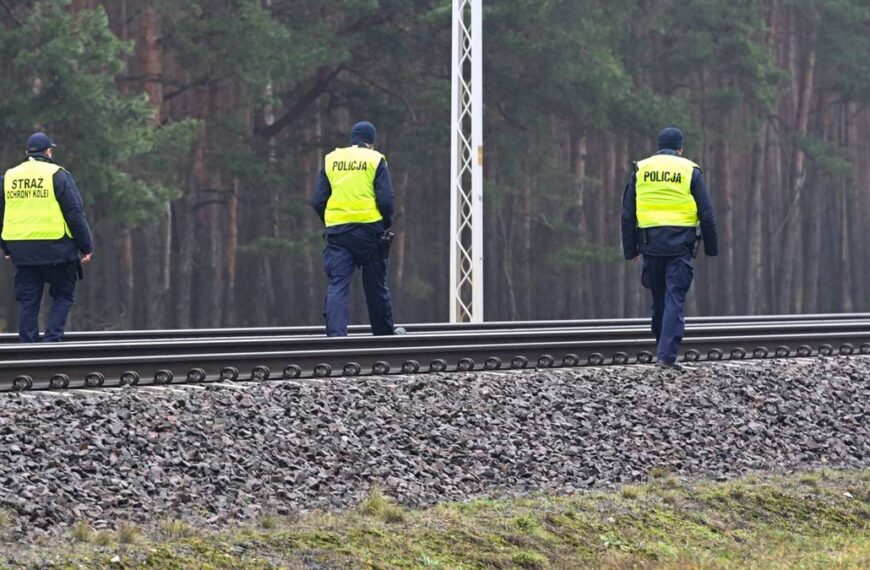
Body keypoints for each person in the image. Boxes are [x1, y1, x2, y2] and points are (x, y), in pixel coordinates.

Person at [621, 127, 717, 370]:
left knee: (659, 299)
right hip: (680, 246)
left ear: (658, 146)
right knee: (675, 298)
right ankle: (665, 356)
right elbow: (706, 212)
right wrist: (711, 246)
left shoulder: (641, 170)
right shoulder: (689, 170)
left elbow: (627, 214)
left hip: (650, 244)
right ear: (680, 148)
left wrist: (631, 249)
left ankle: (661, 349)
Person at [0, 132, 93, 342]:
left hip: (22, 251)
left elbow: (1, 213)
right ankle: (51, 344)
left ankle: (29, 349)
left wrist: (6, 247)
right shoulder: (58, 174)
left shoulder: (9, 177)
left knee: (27, 300)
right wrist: (85, 246)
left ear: (27, 153)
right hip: (57, 249)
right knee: (62, 295)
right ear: (48, 152)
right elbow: (75, 213)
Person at [311, 121, 400, 337]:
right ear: (371, 141)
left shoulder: (332, 159)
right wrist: (384, 223)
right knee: (375, 286)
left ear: (352, 139)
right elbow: (386, 199)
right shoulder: (375, 159)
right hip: (370, 233)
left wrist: (332, 220)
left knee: (338, 285)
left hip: (338, 234)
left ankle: (336, 337)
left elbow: (318, 200)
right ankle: (384, 334)